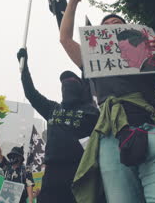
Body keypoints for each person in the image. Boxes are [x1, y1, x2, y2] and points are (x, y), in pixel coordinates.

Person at [59, 0, 155, 203]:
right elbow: (65, 39)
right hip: (111, 139)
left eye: (118, 24)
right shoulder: (93, 61)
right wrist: (72, 3)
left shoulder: (149, 58)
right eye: (106, 26)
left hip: (152, 132)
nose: (111, 26)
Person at [17, 48, 99, 203]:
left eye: (72, 82)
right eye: (64, 83)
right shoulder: (52, 109)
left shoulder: (92, 111)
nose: (67, 85)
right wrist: (24, 67)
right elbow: (31, 93)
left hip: (81, 172)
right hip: (52, 173)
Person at [0, 130, 34, 203]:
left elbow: (29, 186)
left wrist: (30, 201)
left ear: (20, 158)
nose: (12, 157)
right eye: (11, 156)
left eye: (15, 156)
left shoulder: (25, 170)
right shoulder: (7, 166)